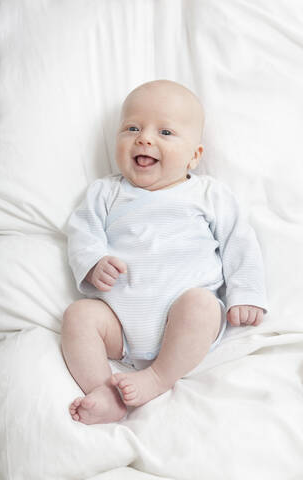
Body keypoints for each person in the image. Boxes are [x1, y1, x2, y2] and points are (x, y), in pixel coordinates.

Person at [61, 79, 268, 425]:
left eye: (166, 133)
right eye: (132, 128)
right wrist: (92, 261)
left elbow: (239, 241)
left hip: (186, 321)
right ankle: (107, 393)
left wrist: (245, 293)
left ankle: (157, 377)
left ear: (194, 156)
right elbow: (81, 232)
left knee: (201, 305)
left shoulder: (208, 194)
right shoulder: (105, 192)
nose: (144, 138)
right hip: (120, 325)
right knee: (78, 316)